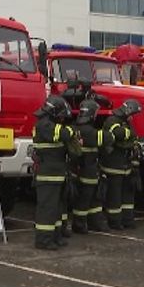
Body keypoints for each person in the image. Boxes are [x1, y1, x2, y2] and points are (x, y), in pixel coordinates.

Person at [31, 95, 79, 250]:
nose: (62, 119)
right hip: (48, 175)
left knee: (57, 209)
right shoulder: (44, 125)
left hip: (57, 174)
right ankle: (43, 240)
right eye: (60, 115)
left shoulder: (50, 124)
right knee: (47, 209)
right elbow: (65, 134)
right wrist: (73, 130)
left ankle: (55, 236)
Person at [100, 99, 143, 230]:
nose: (132, 117)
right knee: (114, 195)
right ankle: (114, 221)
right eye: (132, 114)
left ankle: (127, 220)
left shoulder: (126, 122)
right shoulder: (112, 121)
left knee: (127, 195)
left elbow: (133, 138)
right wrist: (129, 136)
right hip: (113, 166)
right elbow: (119, 134)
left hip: (125, 166)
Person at [71, 99, 110, 234]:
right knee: (86, 198)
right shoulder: (90, 132)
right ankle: (79, 224)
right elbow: (107, 138)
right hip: (88, 171)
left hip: (80, 170)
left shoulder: (74, 129)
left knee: (92, 197)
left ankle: (94, 222)